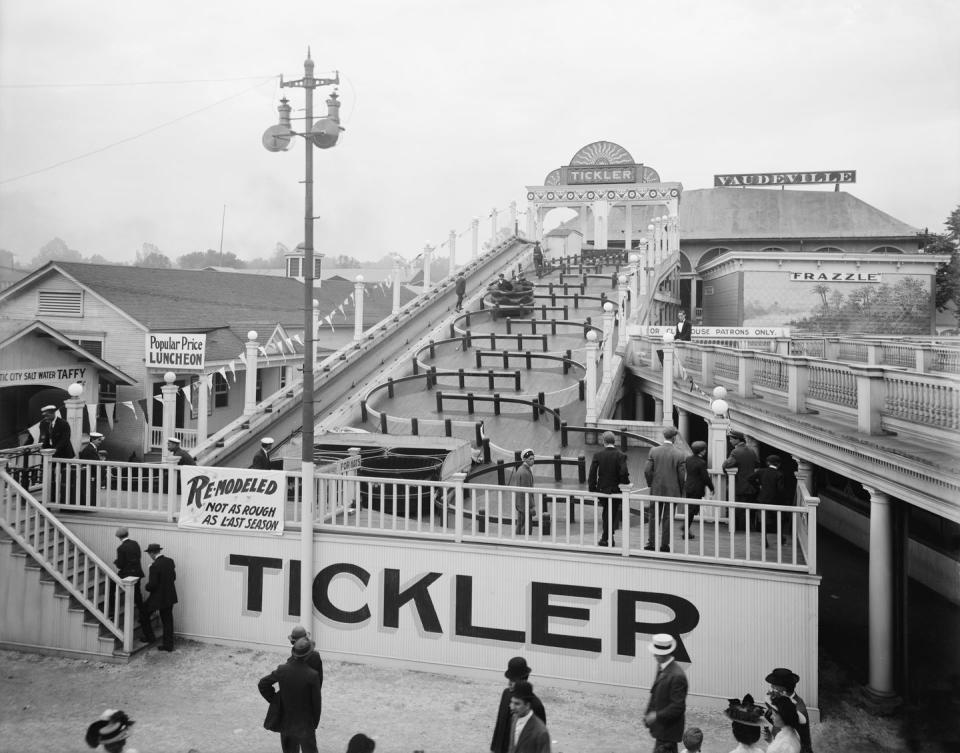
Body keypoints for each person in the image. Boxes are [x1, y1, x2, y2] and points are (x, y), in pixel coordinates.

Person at [258, 637, 323, 753]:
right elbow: (316, 704)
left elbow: (263, 684)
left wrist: (276, 700)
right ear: (308, 655)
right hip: (306, 724)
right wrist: (314, 723)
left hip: (286, 722)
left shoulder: (283, 669)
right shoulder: (312, 675)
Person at [643, 427, 687, 552]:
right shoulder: (680, 454)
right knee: (668, 518)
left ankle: (651, 543)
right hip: (672, 491)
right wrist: (680, 490)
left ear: (664, 437)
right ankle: (665, 545)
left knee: (653, 517)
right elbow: (682, 475)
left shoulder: (654, 451)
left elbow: (647, 470)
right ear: (674, 438)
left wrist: (651, 484)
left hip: (656, 489)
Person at [491, 657, 546, 753]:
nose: (509, 684)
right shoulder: (506, 694)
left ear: (523, 680)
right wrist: (495, 749)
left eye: (513, 680)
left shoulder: (536, 705)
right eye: (509, 679)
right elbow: (500, 725)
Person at [643, 633, 688, 753]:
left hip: (669, 732)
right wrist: (648, 713)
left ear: (664, 653)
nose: (654, 655)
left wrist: (656, 715)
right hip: (662, 731)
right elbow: (655, 691)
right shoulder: (661, 666)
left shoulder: (677, 677)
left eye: (656, 653)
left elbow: (678, 707)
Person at [588, 431, 630, 547]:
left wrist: (592, 488)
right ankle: (607, 537)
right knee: (612, 513)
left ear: (604, 442)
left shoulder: (598, 455)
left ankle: (606, 538)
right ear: (614, 441)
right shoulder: (621, 455)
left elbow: (592, 473)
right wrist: (624, 484)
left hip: (602, 489)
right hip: (616, 490)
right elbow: (623, 472)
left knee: (606, 512)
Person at [114, 528, 153, 643]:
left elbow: (121, 565)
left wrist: (116, 562)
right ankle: (142, 611)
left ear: (119, 537)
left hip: (128, 575)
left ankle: (113, 609)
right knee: (138, 596)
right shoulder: (135, 544)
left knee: (113, 587)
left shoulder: (121, 548)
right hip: (137, 573)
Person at [765, 668, 813, 753]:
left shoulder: (798, 709)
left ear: (783, 689)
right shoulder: (784, 701)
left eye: (774, 685)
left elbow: (795, 740)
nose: (771, 687)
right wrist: (772, 740)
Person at [144, 543, 177, 651]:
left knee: (143, 614)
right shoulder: (170, 561)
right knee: (168, 621)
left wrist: (146, 587)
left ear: (152, 553)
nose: (149, 555)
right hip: (170, 596)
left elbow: (152, 585)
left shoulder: (154, 566)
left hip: (158, 598)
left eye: (149, 553)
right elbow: (173, 577)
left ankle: (150, 637)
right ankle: (168, 645)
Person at [749, 455, 788, 548]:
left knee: (763, 522)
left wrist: (758, 486)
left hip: (762, 500)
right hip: (775, 501)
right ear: (778, 464)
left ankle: (765, 541)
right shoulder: (779, 474)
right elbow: (780, 489)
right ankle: (781, 539)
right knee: (779, 521)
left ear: (767, 463)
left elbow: (750, 479)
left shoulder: (761, 471)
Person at [722, 432, 757, 531]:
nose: (730, 441)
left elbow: (726, 465)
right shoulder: (751, 451)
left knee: (738, 509)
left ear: (738, 440)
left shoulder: (736, 452)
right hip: (751, 486)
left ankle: (740, 529)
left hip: (739, 485)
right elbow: (757, 464)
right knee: (748, 509)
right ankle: (749, 529)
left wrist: (726, 471)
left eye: (731, 439)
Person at [507, 681, 551, 753]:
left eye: (517, 704)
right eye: (511, 702)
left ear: (527, 705)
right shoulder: (514, 719)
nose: (512, 707)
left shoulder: (541, 732)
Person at [682, 441, 713, 539]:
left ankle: (686, 529)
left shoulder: (688, 459)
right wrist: (711, 487)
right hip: (697, 488)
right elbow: (705, 477)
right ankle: (685, 529)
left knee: (689, 509)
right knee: (693, 510)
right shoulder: (702, 463)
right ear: (702, 451)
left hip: (688, 486)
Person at [510, 449, 537, 535]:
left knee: (520, 524)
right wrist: (531, 506)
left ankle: (517, 540)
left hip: (520, 504)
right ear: (525, 459)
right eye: (530, 459)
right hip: (525, 505)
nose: (532, 461)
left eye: (533, 458)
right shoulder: (525, 472)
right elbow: (527, 491)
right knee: (526, 526)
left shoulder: (520, 470)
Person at [78, 431, 105, 506]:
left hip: (88, 473)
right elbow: (95, 464)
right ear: (93, 440)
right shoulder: (90, 450)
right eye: (99, 440)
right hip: (89, 474)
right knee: (90, 490)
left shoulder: (91, 448)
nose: (100, 442)